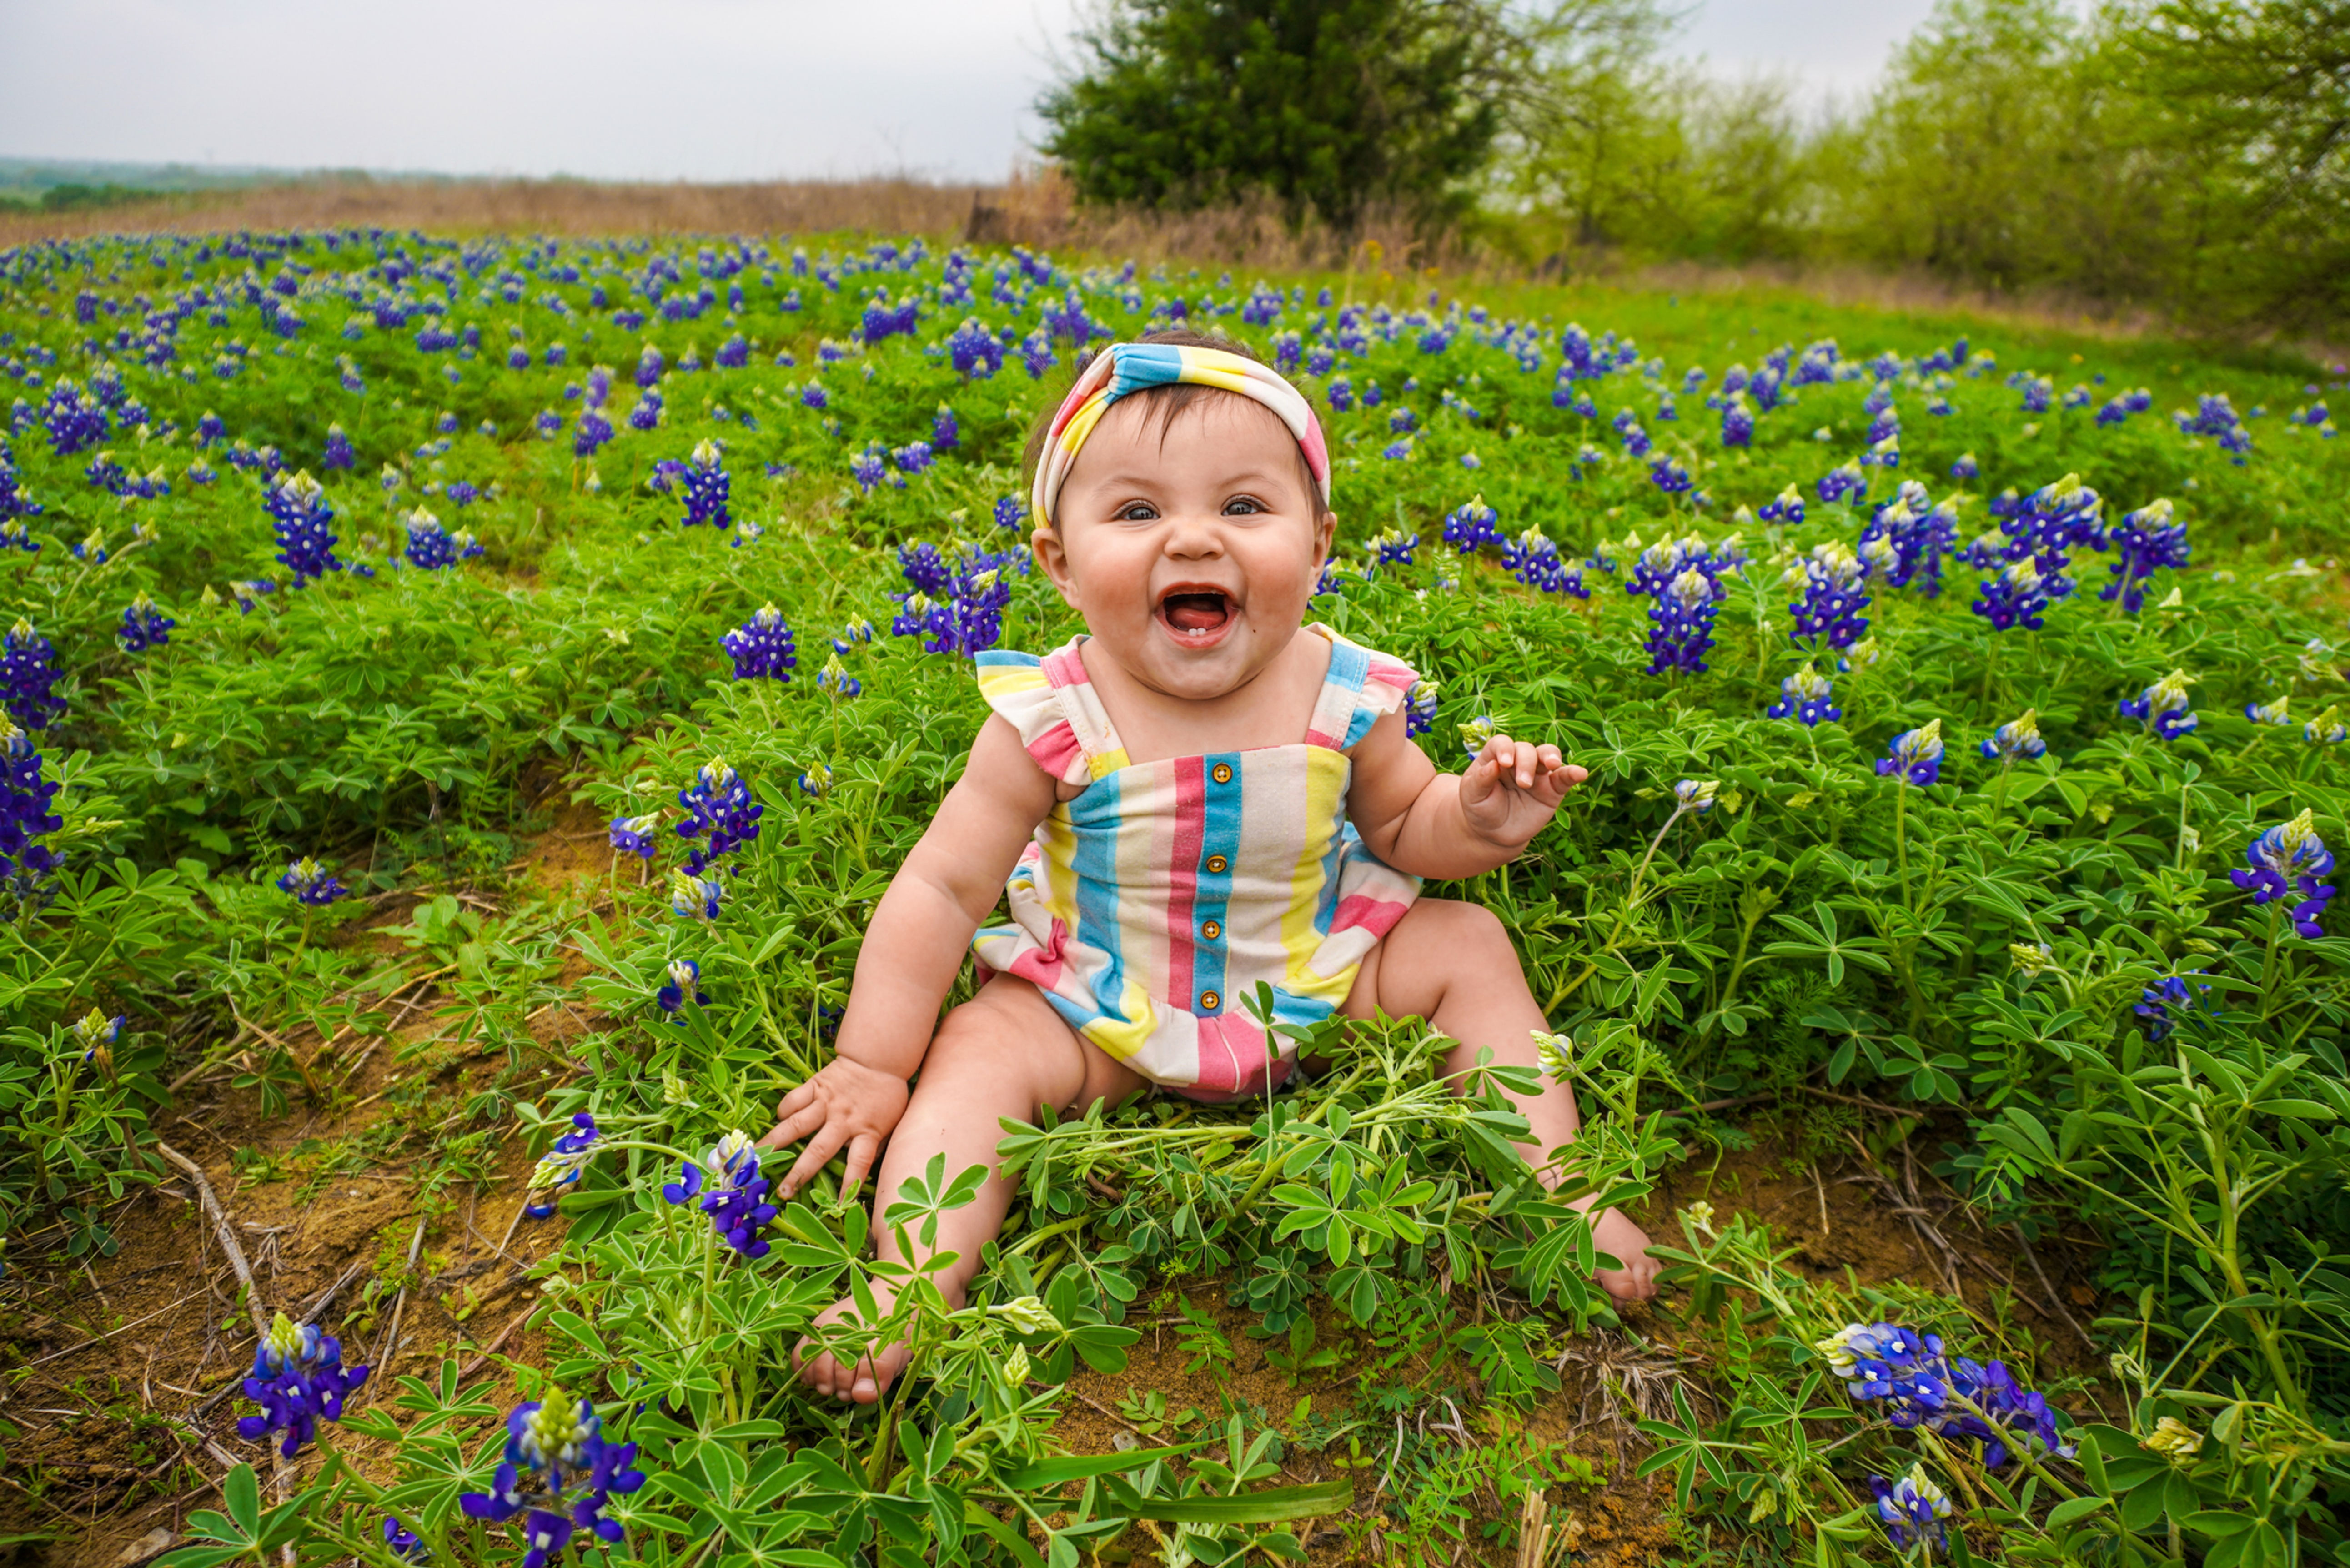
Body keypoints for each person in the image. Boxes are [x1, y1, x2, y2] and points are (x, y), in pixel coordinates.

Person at [763, 328, 1658, 1404]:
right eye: (1137, 512)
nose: (1193, 536)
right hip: (1102, 1003)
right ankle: (912, 1277)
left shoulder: (1344, 690)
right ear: (1058, 561)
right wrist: (873, 1060)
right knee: (978, 1048)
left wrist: (1476, 816)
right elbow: (944, 886)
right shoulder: (1050, 717)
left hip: (1313, 978)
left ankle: (1561, 1193)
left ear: (1318, 547)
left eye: (1242, 504)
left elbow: (1402, 826)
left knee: (1467, 941)